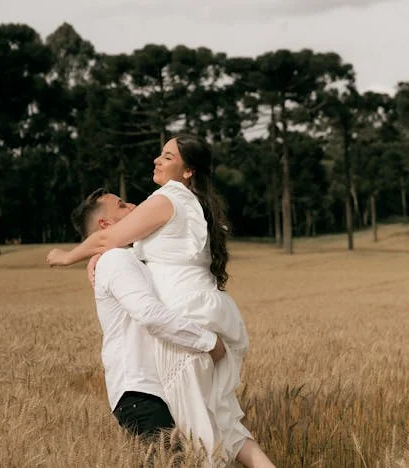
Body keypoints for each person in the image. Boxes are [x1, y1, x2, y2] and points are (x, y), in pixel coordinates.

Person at [48, 135, 274, 467]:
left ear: (187, 171)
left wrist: (70, 256)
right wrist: (101, 255)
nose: (156, 160)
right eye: (123, 205)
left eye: (167, 157)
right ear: (105, 223)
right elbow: (117, 248)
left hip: (188, 332)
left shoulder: (165, 201)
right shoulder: (187, 207)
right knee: (224, 429)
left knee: (205, 444)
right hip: (201, 323)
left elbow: (112, 245)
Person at [68, 187, 226, 439]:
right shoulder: (115, 260)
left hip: (156, 391)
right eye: (121, 205)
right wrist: (209, 343)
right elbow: (150, 313)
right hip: (142, 394)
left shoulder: (125, 258)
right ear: (106, 224)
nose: (132, 205)